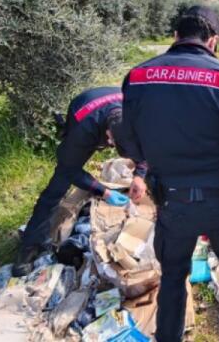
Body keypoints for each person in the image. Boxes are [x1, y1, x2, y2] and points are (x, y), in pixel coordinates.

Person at [121, 6, 219, 342]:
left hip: (173, 200)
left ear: (176, 36)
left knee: (173, 276)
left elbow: (128, 140)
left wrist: (154, 161)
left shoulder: (138, 77)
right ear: (212, 41)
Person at [12, 86, 148, 277]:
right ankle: (30, 246)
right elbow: (69, 168)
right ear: (108, 134)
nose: (110, 146)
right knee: (59, 184)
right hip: (85, 111)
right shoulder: (84, 130)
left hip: (112, 106)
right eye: (111, 142)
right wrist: (103, 191)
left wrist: (140, 175)